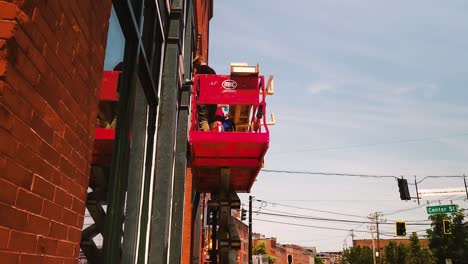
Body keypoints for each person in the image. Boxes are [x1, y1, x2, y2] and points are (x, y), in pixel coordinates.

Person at [193, 56, 217, 131]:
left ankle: (207, 138)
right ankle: (213, 138)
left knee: (203, 120)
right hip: (213, 100)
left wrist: (188, 81)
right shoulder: (212, 71)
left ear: (199, 62)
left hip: (204, 98)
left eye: (195, 66)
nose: (195, 68)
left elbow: (195, 79)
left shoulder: (201, 68)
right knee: (212, 120)